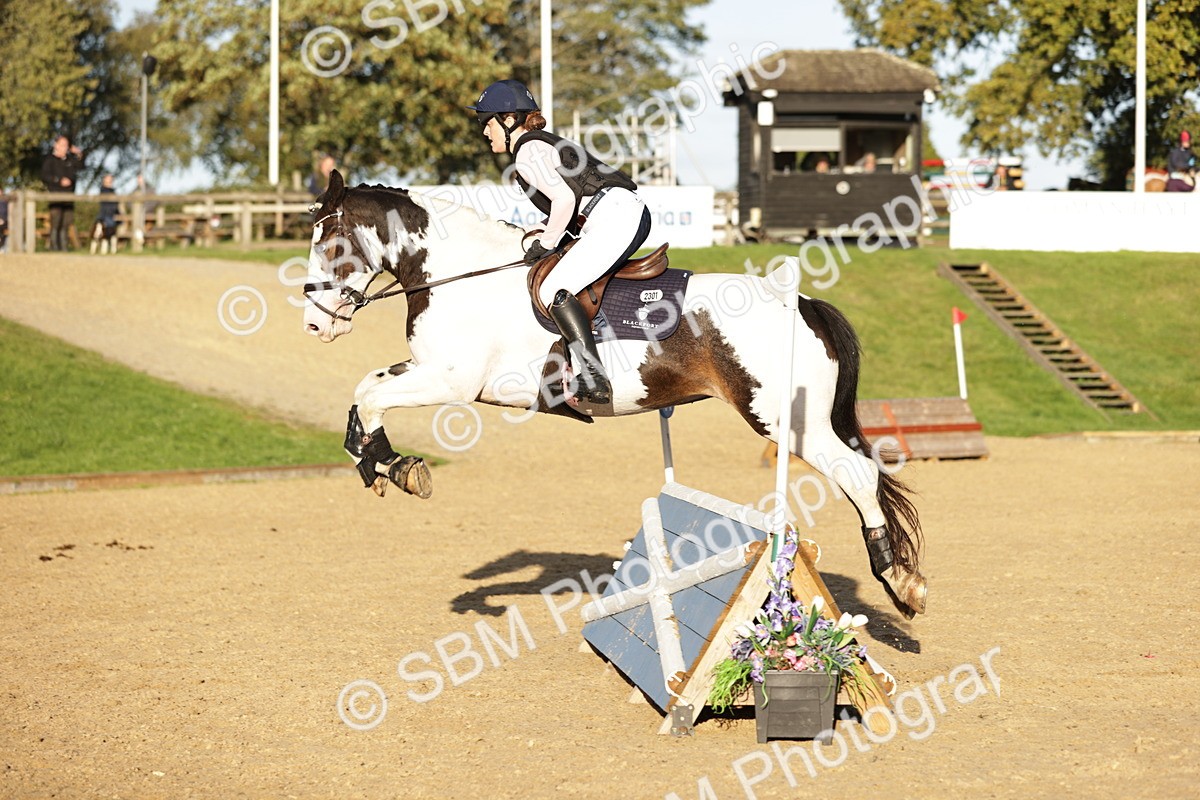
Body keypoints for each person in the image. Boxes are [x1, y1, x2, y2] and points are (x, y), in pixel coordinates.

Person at [468, 79, 651, 404]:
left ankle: (595, 378)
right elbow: (564, 203)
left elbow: (565, 200)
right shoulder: (534, 147)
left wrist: (545, 243)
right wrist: (537, 234)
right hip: (613, 214)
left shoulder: (526, 151)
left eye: (487, 122)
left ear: (508, 120)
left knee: (554, 289)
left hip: (615, 217)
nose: (484, 131)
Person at [40, 135, 83, 251]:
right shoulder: (49, 160)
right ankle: (54, 248)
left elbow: (81, 166)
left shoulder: (70, 160)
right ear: (56, 145)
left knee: (66, 223)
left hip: (68, 198)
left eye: (66, 145)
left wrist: (78, 153)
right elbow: (45, 176)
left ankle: (64, 248)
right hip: (55, 197)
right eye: (62, 144)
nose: (64, 147)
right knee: (56, 223)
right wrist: (58, 180)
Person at [90, 174, 119, 254]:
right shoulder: (103, 191)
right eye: (108, 179)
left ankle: (110, 250)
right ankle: (95, 250)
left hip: (111, 215)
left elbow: (115, 205)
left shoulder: (113, 191)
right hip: (104, 215)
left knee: (111, 232)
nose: (109, 181)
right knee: (99, 232)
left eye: (110, 180)